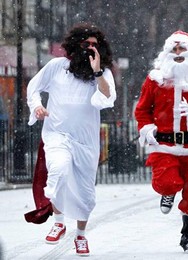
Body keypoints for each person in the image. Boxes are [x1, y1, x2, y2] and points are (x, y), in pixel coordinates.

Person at [26, 23, 116, 256]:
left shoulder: (103, 73)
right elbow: (33, 87)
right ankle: (58, 221)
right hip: (57, 134)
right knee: (59, 170)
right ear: (76, 45)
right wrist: (37, 106)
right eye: (85, 44)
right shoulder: (57, 66)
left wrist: (97, 72)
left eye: (95, 45)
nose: (90, 48)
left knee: (85, 192)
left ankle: (81, 236)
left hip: (85, 141)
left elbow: (106, 99)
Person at [135, 30, 188, 254]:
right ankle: (169, 192)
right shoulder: (155, 79)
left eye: (182, 48)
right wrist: (146, 128)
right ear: (167, 53)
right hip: (165, 146)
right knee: (166, 182)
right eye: (174, 49)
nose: (178, 53)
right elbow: (143, 110)